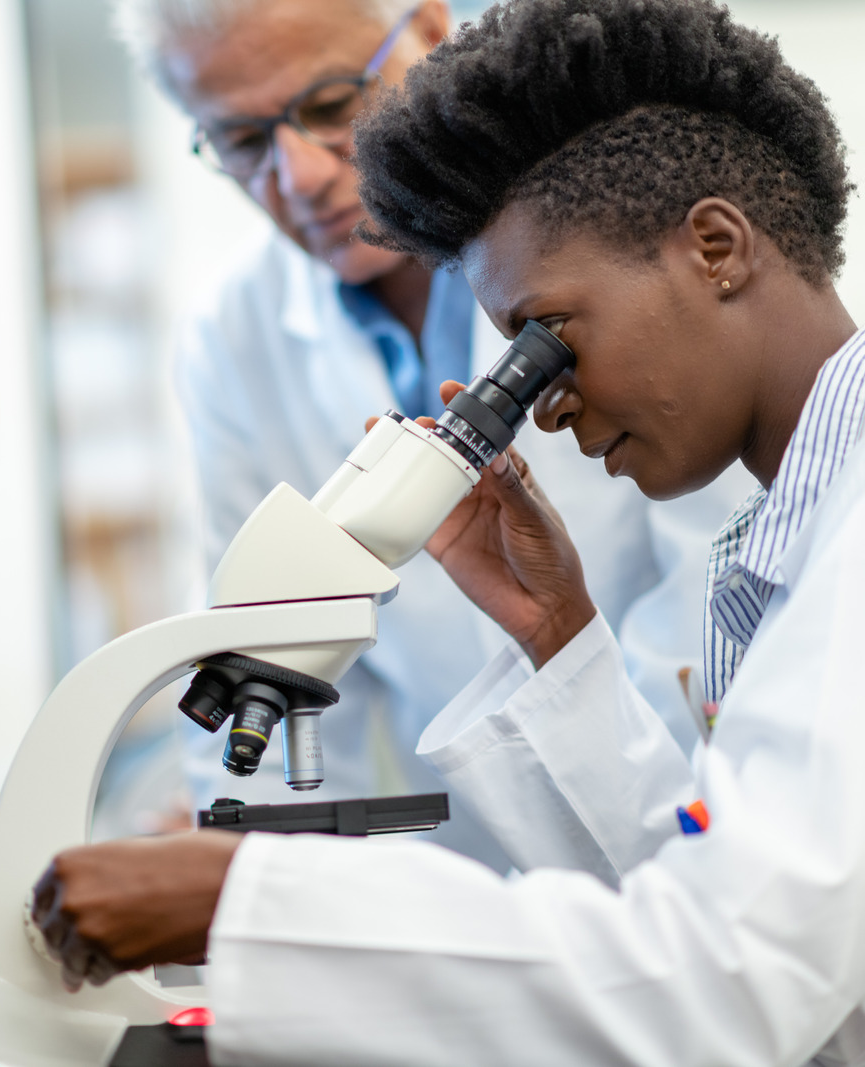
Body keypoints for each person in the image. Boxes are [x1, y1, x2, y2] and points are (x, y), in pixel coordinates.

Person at [34, 0, 865, 1062]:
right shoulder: (831, 507)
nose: (541, 405)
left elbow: (717, 977)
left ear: (715, 246)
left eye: (545, 340)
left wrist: (252, 900)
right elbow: (702, 886)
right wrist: (561, 641)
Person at [116, 0, 751, 866]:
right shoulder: (235, 339)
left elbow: (717, 582)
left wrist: (650, 825)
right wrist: (254, 883)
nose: (296, 175)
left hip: (705, 816)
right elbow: (264, 641)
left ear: (429, 28)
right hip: (480, 879)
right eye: (242, 142)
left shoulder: (605, 238)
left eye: (333, 104)